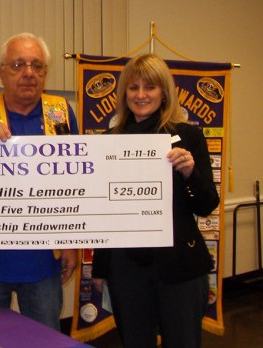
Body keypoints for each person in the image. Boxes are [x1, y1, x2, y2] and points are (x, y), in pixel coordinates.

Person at [91, 54, 219, 347]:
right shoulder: (109, 139)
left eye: (149, 87)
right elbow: (103, 210)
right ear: (124, 93)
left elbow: (207, 204)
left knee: (183, 342)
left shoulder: (188, 136)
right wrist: (100, 268)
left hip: (179, 265)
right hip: (126, 267)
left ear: (163, 91)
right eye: (133, 87)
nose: (141, 95)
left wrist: (189, 172)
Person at [0, 32, 79, 330]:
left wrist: (73, 244)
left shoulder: (60, 112)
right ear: (1, 72)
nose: (28, 74)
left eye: (37, 66)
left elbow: (76, 183)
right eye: (18, 65)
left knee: (44, 341)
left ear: (46, 73)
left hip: (44, 264)